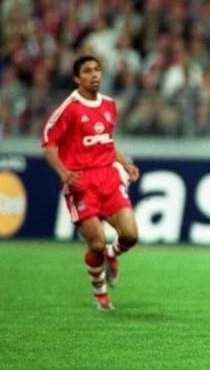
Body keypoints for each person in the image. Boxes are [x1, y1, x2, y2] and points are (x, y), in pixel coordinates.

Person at [42, 55, 140, 310]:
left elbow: (106, 142)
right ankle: (100, 294)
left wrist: (124, 163)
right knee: (96, 243)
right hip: (81, 182)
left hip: (108, 176)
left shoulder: (109, 104)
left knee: (130, 235)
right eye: (87, 71)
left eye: (97, 69)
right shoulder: (69, 109)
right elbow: (48, 145)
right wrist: (63, 172)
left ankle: (112, 255)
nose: (94, 75)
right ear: (77, 78)